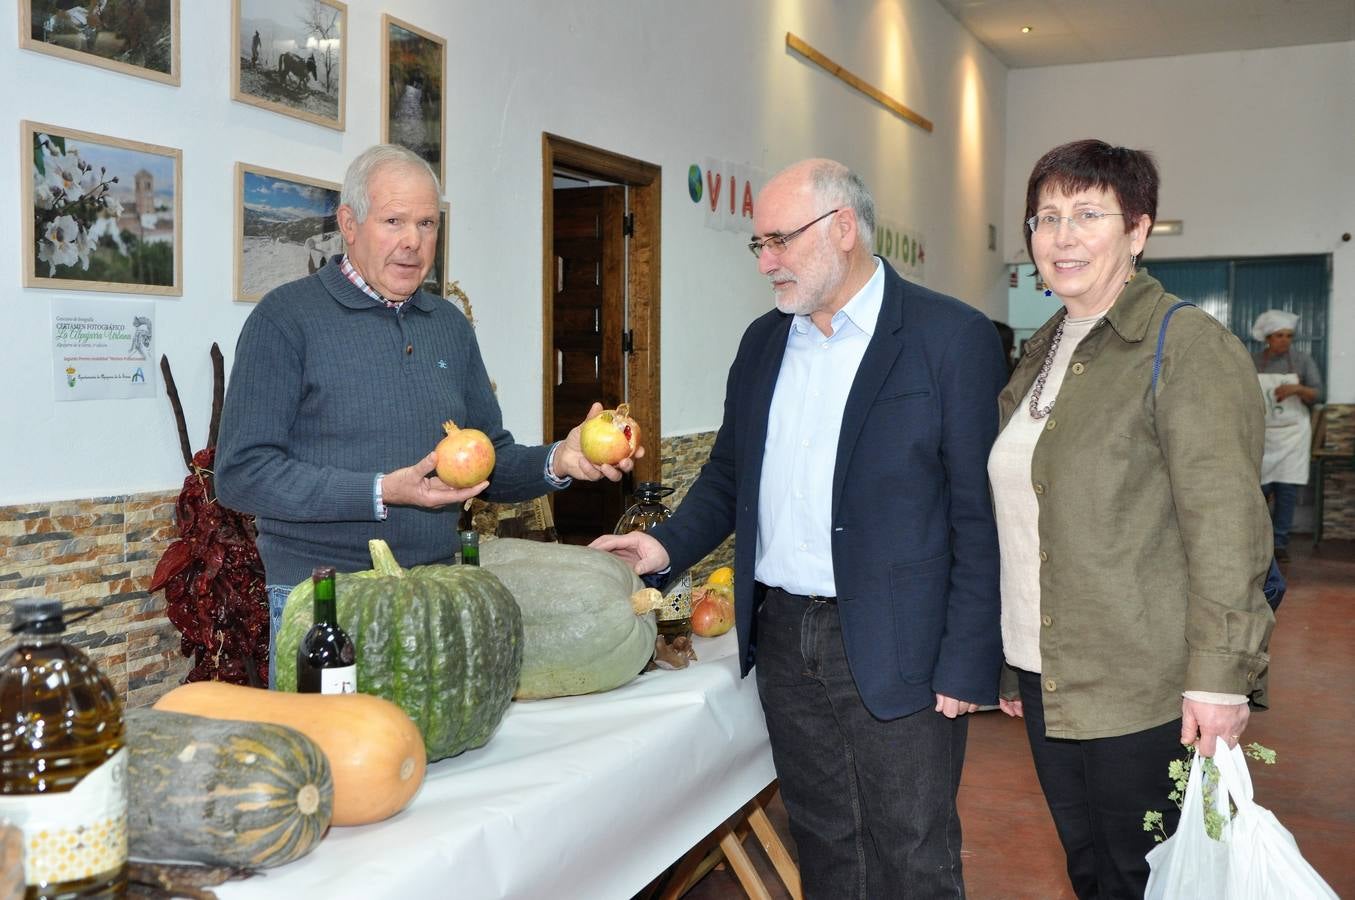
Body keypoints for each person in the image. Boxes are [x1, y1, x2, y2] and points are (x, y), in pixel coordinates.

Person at [591, 158, 1007, 898]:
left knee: (912, 853)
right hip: (784, 638)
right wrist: (660, 546)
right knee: (823, 841)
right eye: (758, 244)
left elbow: (979, 513)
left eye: (778, 240)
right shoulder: (762, 343)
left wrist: (969, 661)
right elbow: (728, 476)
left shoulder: (951, 338)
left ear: (842, 229)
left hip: (899, 642)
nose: (766, 262)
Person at [215, 144, 638, 683]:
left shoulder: (449, 325)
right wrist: (381, 490)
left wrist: (561, 459)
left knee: (440, 753)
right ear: (349, 223)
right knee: (336, 763)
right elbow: (241, 474)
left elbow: (491, 460)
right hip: (324, 601)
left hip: (436, 596)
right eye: (393, 221)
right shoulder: (285, 319)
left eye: (426, 224)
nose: (413, 242)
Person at [989, 139, 1274, 898]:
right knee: (1091, 871)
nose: (1062, 235)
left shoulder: (1183, 345)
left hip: (1140, 682)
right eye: (1045, 217)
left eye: (1087, 214)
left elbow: (1227, 525)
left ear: (1138, 231)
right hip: (1049, 670)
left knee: (1143, 876)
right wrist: (1011, 656)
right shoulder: (1042, 348)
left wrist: (1220, 678)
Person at [1251, 309, 1323, 562]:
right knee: (1258, 490)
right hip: (1263, 435)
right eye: (1279, 335)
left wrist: (1297, 388)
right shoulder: (1253, 361)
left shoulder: (1302, 361)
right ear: (1268, 337)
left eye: (1289, 336)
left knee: (1286, 491)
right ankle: (1256, 540)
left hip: (1293, 436)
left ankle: (1280, 542)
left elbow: (1318, 394)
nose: (1285, 340)